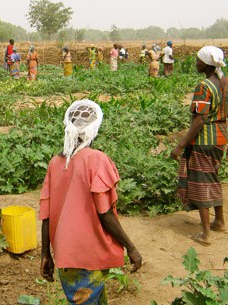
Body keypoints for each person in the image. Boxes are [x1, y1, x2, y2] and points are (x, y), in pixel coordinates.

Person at [39, 99, 142, 304]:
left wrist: (46, 254)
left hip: (65, 257)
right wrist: (131, 247)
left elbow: (46, 214)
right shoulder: (97, 160)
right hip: (89, 256)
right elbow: (105, 214)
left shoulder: (55, 163)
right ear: (95, 130)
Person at [170, 46, 228, 246]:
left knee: (201, 183)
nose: (196, 63)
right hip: (220, 140)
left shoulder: (204, 86)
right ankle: (219, 221)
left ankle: (206, 234)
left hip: (204, 141)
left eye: (198, 61)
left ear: (206, 64)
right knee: (213, 178)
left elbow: (200, 119)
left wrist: (180, 146)